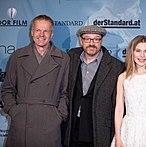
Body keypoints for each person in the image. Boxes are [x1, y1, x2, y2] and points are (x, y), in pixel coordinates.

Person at [1, 15, 69, 147]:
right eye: (38, 30)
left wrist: (59, 115)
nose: (41, 35)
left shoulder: (63, 58)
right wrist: (15, 112)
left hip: (49, 121)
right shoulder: (18, 56)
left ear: (52, 34)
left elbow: (65, 92)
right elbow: (7, 89)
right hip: (22, 120)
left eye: (46, 31)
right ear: (32, 32)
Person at [64, 25, 125, 147]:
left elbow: (118, 104)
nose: (91, 43)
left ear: (101, 41)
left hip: (99, 129)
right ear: (81, 41)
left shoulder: (116, 67)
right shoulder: (71, 58)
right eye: (87, 39)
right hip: (73, 127)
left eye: (96, 39)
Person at [110, 35, 146, 147]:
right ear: (132, 53)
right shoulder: (123, 77)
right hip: (128, 130)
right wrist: (118, 138)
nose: (142, 55)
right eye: (138, 51)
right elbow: (119, 109)